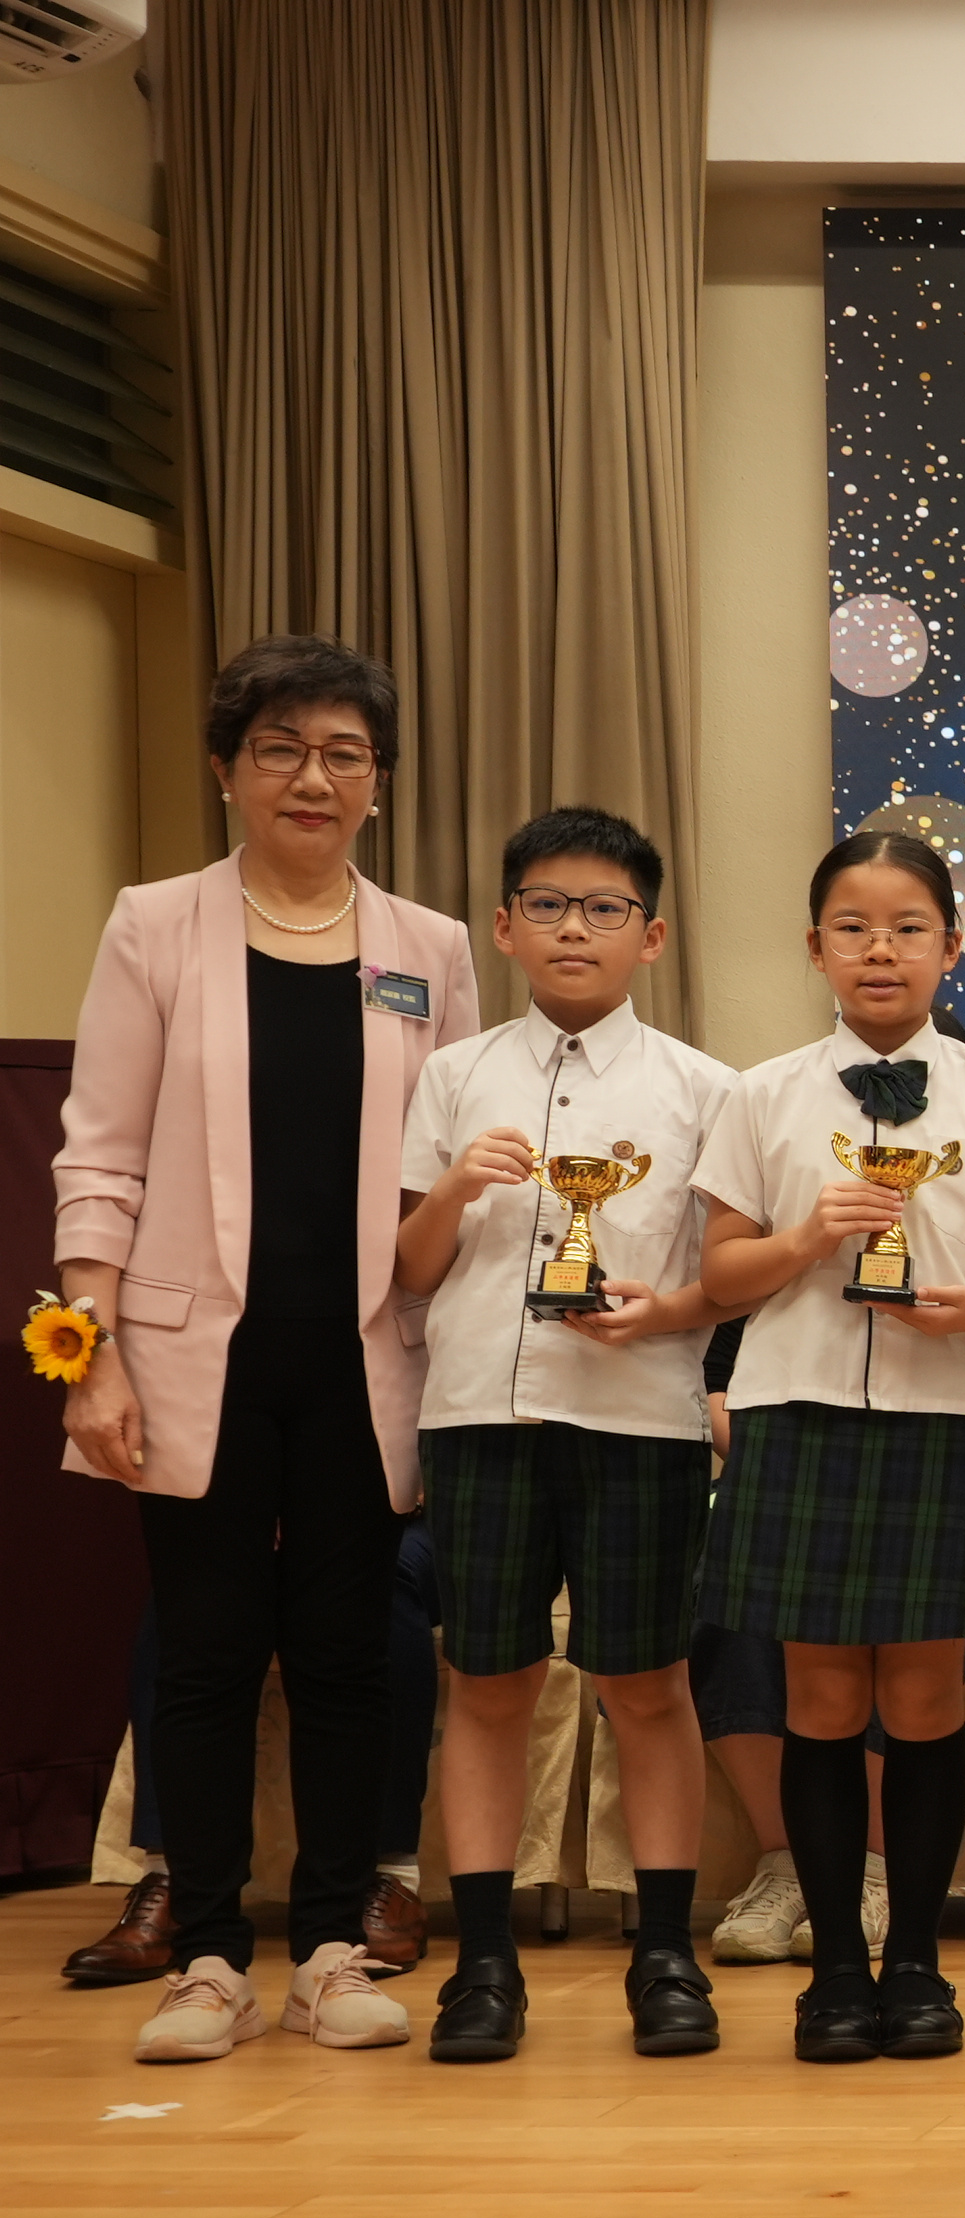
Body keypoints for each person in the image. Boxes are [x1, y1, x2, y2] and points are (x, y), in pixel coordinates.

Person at [62, 636, 479, 2064]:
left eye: (345, 753)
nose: (315, 777)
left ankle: (331, 1952)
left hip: (368, 1351)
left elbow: (444, 1173)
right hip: (195, 1349)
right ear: (229, 770)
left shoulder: (428, 949)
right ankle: (207, 1961)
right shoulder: (155, 924)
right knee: (206, 1653)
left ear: (378, 781)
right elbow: (100, 1154)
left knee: (352, 1653)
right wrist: (92, 1353)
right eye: (283, 749)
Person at [693, 830, 965, 2065]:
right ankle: (834, 1978)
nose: (881, 950)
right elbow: (719, 1276)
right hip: (797, 1415)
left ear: (949, 947)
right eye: (853, 928)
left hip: (942, 1421)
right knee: (817, 1699)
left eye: (908, 928)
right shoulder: (761, 1094)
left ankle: (915, 1961)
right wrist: (806, 1240)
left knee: (920, 1701)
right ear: (815, 948)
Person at [389, 807, 740, 2060]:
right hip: (480, 1414)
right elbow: (410, 1271)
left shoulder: (705, 1089)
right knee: (486, 1686)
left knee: (647, 1686)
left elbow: (727, 1278)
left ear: (652, 936)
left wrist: (665, 1314)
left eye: (603, 909)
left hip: (638, 1417)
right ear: (504, 927)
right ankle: (484, 1966)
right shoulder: (454, 1074)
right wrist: (453, 1188)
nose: (573, 929)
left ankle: (665, 1954)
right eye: (546, 905)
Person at [694, 1104, 965, 1969]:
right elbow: (715, 1375)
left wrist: (960, 1458)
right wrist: (771, 1463)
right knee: (732, 1621)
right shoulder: (786, 1194)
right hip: (794, 1459)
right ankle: (787, 1863)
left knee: (916, 1665)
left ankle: (879, 1878)